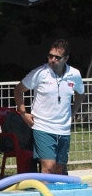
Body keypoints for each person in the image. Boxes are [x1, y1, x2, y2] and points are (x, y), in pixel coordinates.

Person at [14, 39, 85, 175]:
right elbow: (18, 90)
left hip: (63, 129)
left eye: (57, 57)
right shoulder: (40, 73)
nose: (52, 59)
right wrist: (23, 113)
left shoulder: (74, 74)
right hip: (43, 126)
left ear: (66, 59)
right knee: (48, 166)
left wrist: (73, 112)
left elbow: (81, 94)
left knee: (60, 169)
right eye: (50, 56)